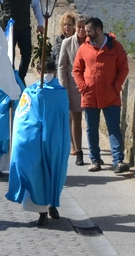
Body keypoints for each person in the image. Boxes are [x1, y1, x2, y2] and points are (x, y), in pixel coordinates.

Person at [6, 58, 70, 227]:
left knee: (55, 170)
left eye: (49, 73)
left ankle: (53, 204)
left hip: (54, 139)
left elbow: (62, 118)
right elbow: (23, 117)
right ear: (38, 73)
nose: (46, 76)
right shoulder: (31, 92)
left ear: (53, 73)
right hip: (34, 140)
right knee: (38, 174)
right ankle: (42, 211)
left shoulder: (60, 92)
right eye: (44, 73)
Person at [73, 17, 130, 173]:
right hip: (90, 95)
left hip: (110, 95)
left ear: (98, 30)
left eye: (89, 31)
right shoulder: (84, 48)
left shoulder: (115, 47)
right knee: (92, 129)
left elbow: (123, 69)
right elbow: (76, 70)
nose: (86, 33)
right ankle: (94, 159)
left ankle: (118, 160)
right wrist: (83, 87)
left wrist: (116, 87)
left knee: (114, 129)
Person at [58, 15, 87, 166]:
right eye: (79, 27)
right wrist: (64, 88)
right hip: (73, 87)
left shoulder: (91, 43)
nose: (81, 30)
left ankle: (91, 151)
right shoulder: (67, 43)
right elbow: (62, 66)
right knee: (76, 118)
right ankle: (78, 149)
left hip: (88, 88)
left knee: (89, 120)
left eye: (84, 27)